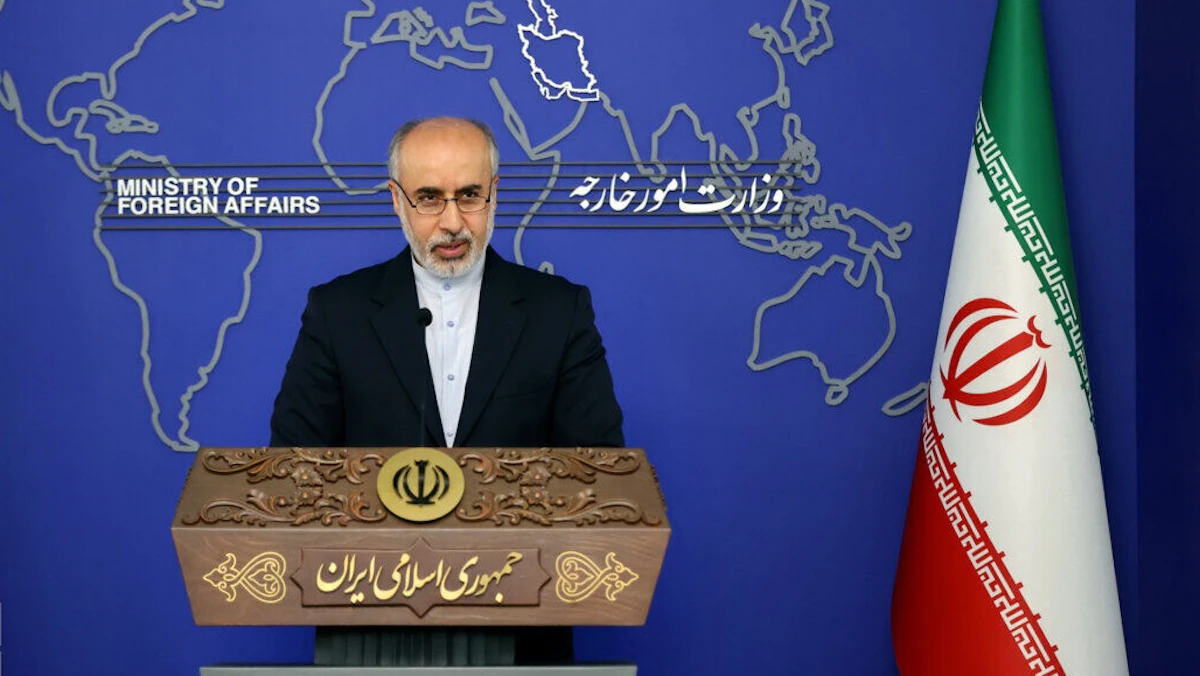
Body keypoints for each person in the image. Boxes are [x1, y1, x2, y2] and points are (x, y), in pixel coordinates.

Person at [268, 116, 624, 666]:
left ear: (494, 194)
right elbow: (292, 470)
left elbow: (599, 473)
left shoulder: (560, 312)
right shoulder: (338, 313)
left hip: (524, 637)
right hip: (371, 636)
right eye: (430, 198)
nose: (453, 222)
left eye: (470, 196)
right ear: (397, 200)